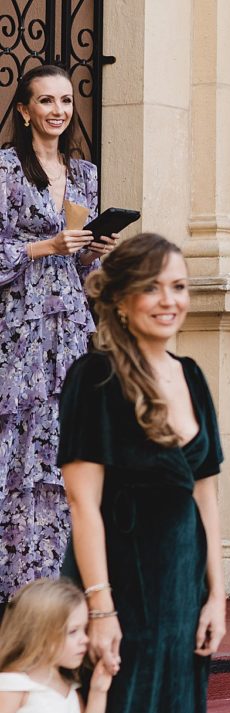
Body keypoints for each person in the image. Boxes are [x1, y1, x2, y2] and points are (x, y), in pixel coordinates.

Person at [58, 233, 225, 713]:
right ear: (122, 300)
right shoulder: (95, 377)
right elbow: (83, 502)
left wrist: (217, 596)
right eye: (150, 287)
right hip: (119, 582)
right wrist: (101, 609)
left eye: (177, 287)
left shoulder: (193, 375)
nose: (167, 300)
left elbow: (206, 495)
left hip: (181, 589)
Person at [0, 64, 119, 620]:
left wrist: (95, 248)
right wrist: (46, 246)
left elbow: (81, 261)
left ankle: (60, 576)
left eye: (66, 101)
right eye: (45, 101)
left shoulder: (85, 173)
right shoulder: (4, 169)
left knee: (60, 440)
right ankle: (16, 578)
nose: (58, 110)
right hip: (19, 323)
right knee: (19, 437)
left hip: (69, 322)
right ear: (23, 111)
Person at [0, 578, 112, 713]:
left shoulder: (67, 686)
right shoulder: (15, 683)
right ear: (39, 633)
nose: (85, 640)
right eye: (73, 632)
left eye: (85, 630)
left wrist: (99, 691)